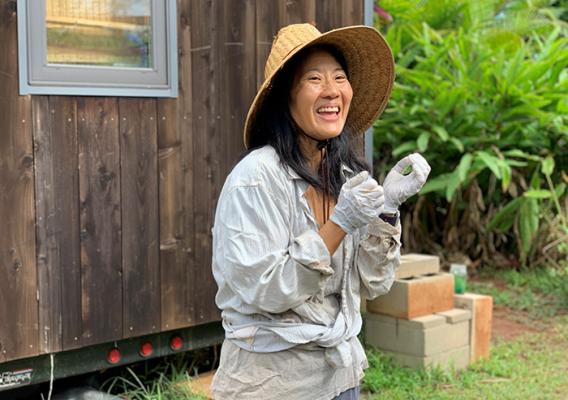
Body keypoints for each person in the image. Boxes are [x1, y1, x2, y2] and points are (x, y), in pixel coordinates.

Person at [210, 23, 431, 400]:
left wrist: (388, 211)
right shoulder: (255, 179)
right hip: (273, 383)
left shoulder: (345, 176)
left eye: (339, 77)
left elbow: (372, 283)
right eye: (314, 78)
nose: (332, 90)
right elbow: (267, 289)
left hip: (339, 376)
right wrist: (340, 223)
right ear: (286, 98)